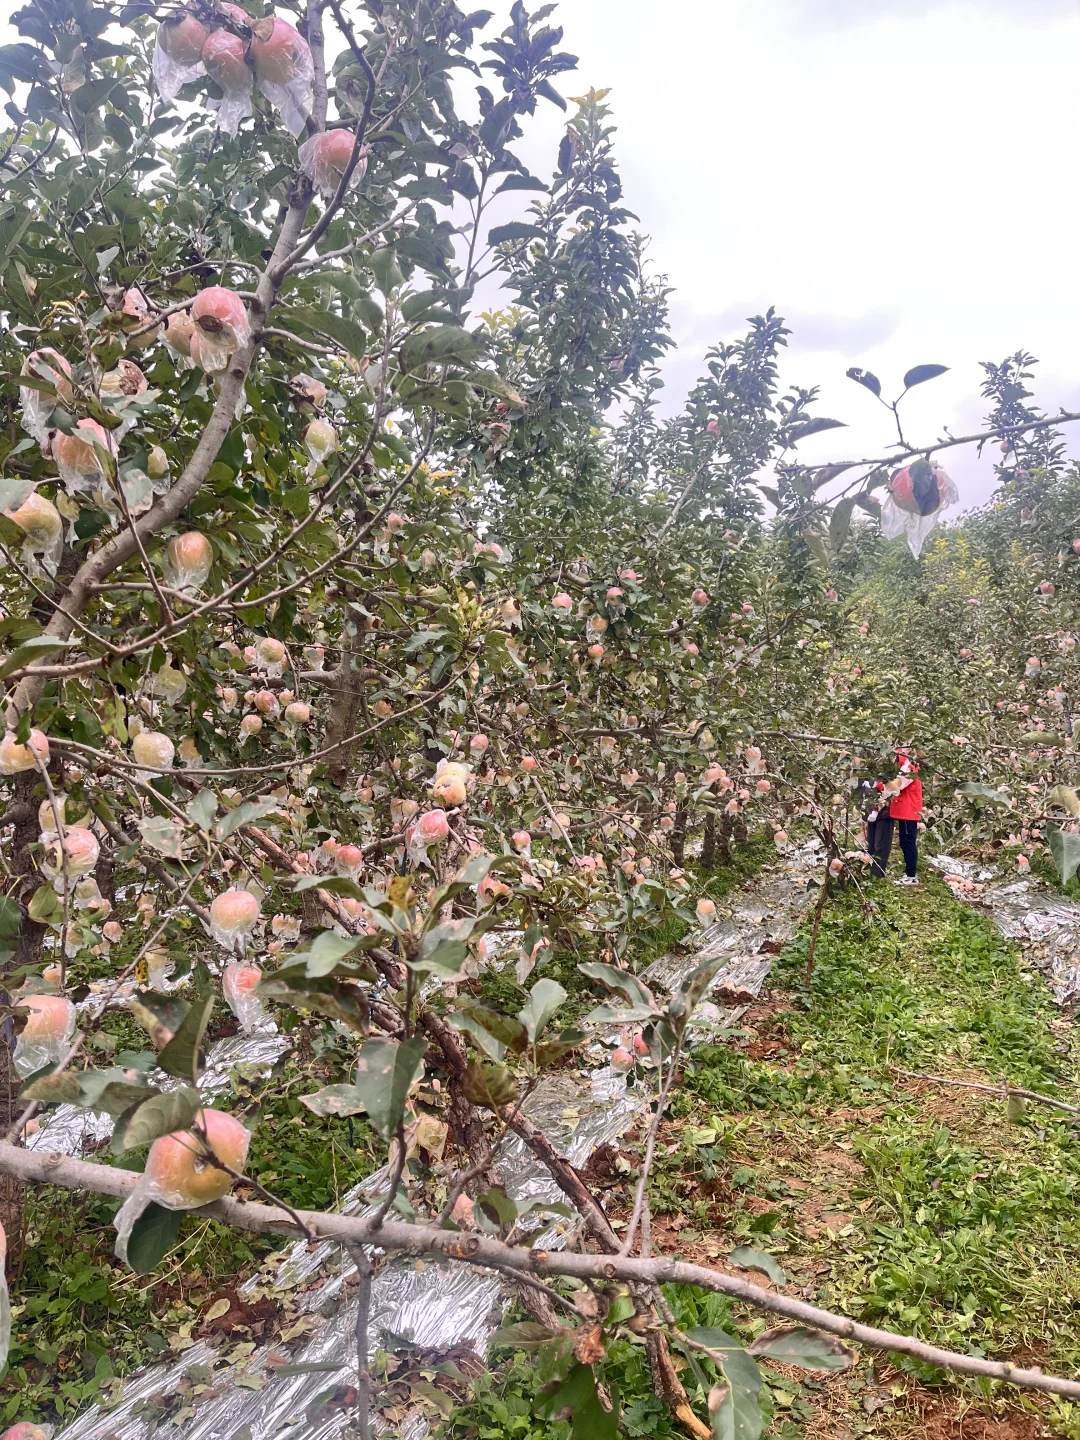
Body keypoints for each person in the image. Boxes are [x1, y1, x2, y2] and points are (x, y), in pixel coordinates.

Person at [882, 748, 922, 886]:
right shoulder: (908, 768)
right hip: (907, 812)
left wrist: (879, 784)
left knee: (908, 843)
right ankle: (910, 874)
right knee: (906, 842)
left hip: (908, 813)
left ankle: (911, 875)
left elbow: (897, 785)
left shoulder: (910, 769)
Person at [861, 778, 892, 878]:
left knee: (881, 845)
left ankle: (878, 873)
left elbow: (886, 794)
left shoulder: (884, 774)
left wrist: (875, 811)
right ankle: (871, 872)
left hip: (884, 814)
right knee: (871, 844)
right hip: (871, 815)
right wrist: (865, 814)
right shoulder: (866, 777)